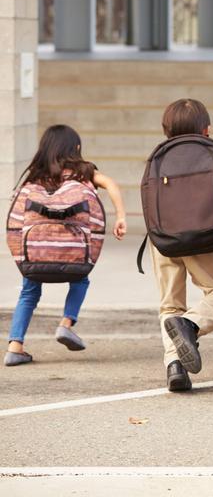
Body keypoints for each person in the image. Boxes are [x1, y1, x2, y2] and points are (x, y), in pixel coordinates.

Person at [149, 99, 213, 392]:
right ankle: (190, 326)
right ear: (207, 129)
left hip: (163, 239)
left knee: (170, 305)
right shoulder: (212, 153)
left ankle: (174, 366)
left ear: (165, 129)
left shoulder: (159, 156)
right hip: (203, 238)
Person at [5, 125, 127, 367]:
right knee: (80, 279)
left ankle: (14, 347)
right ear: (76, 149)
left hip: (36, 254)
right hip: (73, 254)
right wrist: (121, 216)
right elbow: (111, 184)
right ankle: (66, 324)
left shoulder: (33, 176)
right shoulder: (83, 172)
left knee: (29, 292)